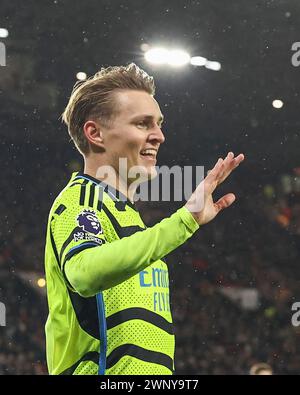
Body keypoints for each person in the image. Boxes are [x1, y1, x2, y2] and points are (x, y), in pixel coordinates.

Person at [44, 63, 244, 375]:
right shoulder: (80, 200)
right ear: (95, 133)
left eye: (159, 124)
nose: (159, 136)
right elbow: (83, 273)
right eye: (142, 124)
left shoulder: (132, 219)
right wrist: (184, 221)